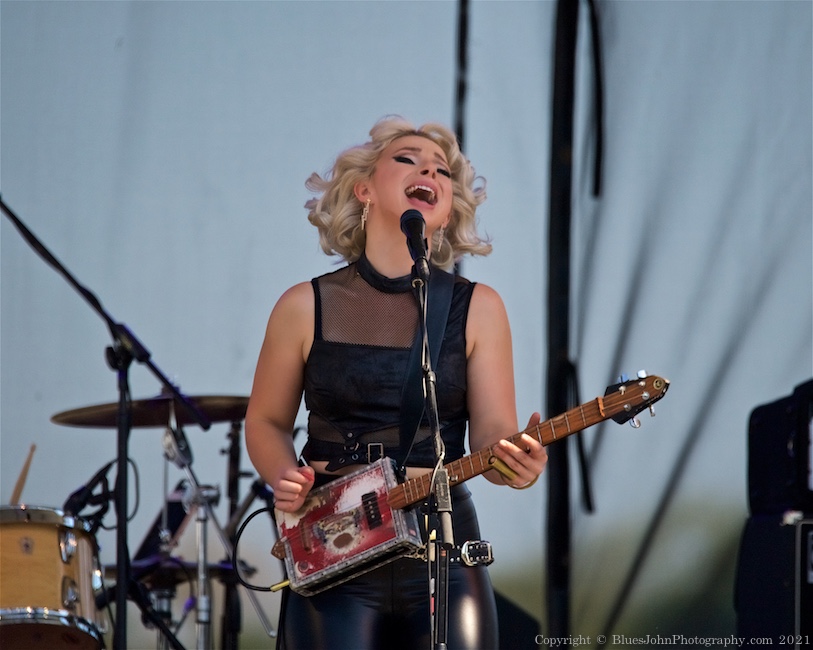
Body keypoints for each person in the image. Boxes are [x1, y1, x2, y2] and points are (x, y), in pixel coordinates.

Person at [245, 116, 547, 649]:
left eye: (442, 171)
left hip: (444, 548)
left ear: (447, 208)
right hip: (335, 543)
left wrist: (514, 466)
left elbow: (492, 435)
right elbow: (266, 421)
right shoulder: (302, 305)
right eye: (408, 158)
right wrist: (283, 473)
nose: (429, 169)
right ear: (364, 188)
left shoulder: (479, 308)